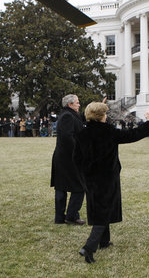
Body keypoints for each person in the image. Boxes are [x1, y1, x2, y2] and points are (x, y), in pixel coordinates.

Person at [73, 103, 149, 264]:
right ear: (101, 116)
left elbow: (76, 158)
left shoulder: (82, 133)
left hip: (89, 178)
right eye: (105, 114)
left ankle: (104, 241)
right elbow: (132, 135)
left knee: (99, 207)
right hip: (107, 177)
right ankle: (88, 247)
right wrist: (148, 123)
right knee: (104, 211)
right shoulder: (108, 132)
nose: (107, 116)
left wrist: (83, 175)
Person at [51, 94, 85, 225]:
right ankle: (71, 216)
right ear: (70, 104)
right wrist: (79, 152)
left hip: (64, 157)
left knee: (62, 188)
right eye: (77, 102)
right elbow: (67, 138)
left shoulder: (70, 114)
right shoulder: (67, 116)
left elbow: (84, 118)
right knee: (79, 186)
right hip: (68, 158)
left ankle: (60, 218)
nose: (79, 104)